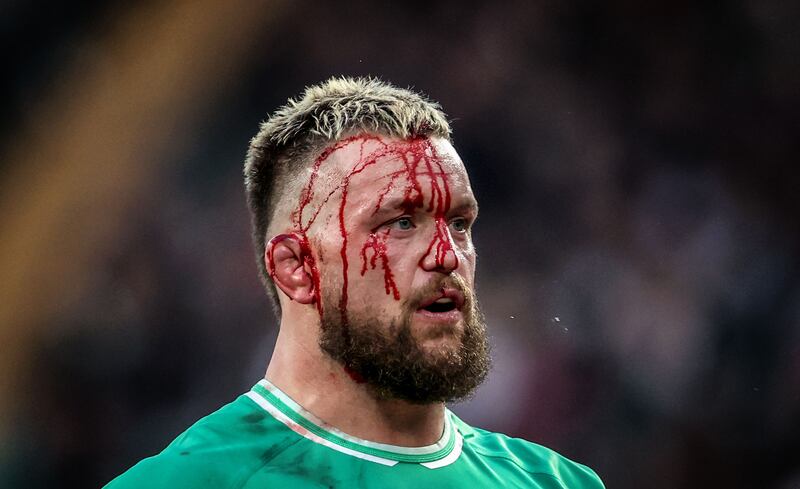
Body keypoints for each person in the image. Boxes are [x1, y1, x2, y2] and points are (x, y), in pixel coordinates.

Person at [105, 77, 604, 488]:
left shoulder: (558, 482)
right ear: (296, 268)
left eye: (458, 223)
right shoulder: (187, 483)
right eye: (401, 222)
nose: (448, 256)